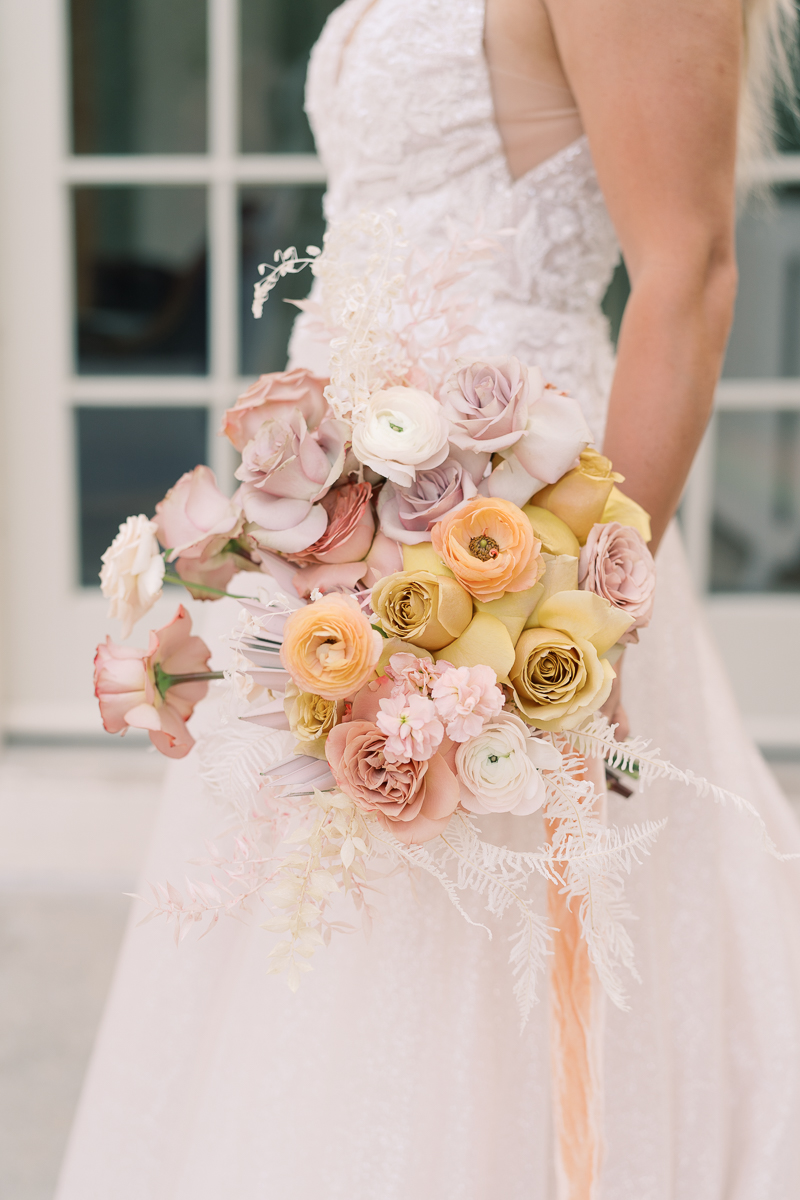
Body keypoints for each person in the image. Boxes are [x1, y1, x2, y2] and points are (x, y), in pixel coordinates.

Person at [57, 1, 800, 1196]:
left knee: (489, 963)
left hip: (508, 541)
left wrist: (576, 613)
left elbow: (690, 270)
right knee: (294, 977)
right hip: (337, 540)